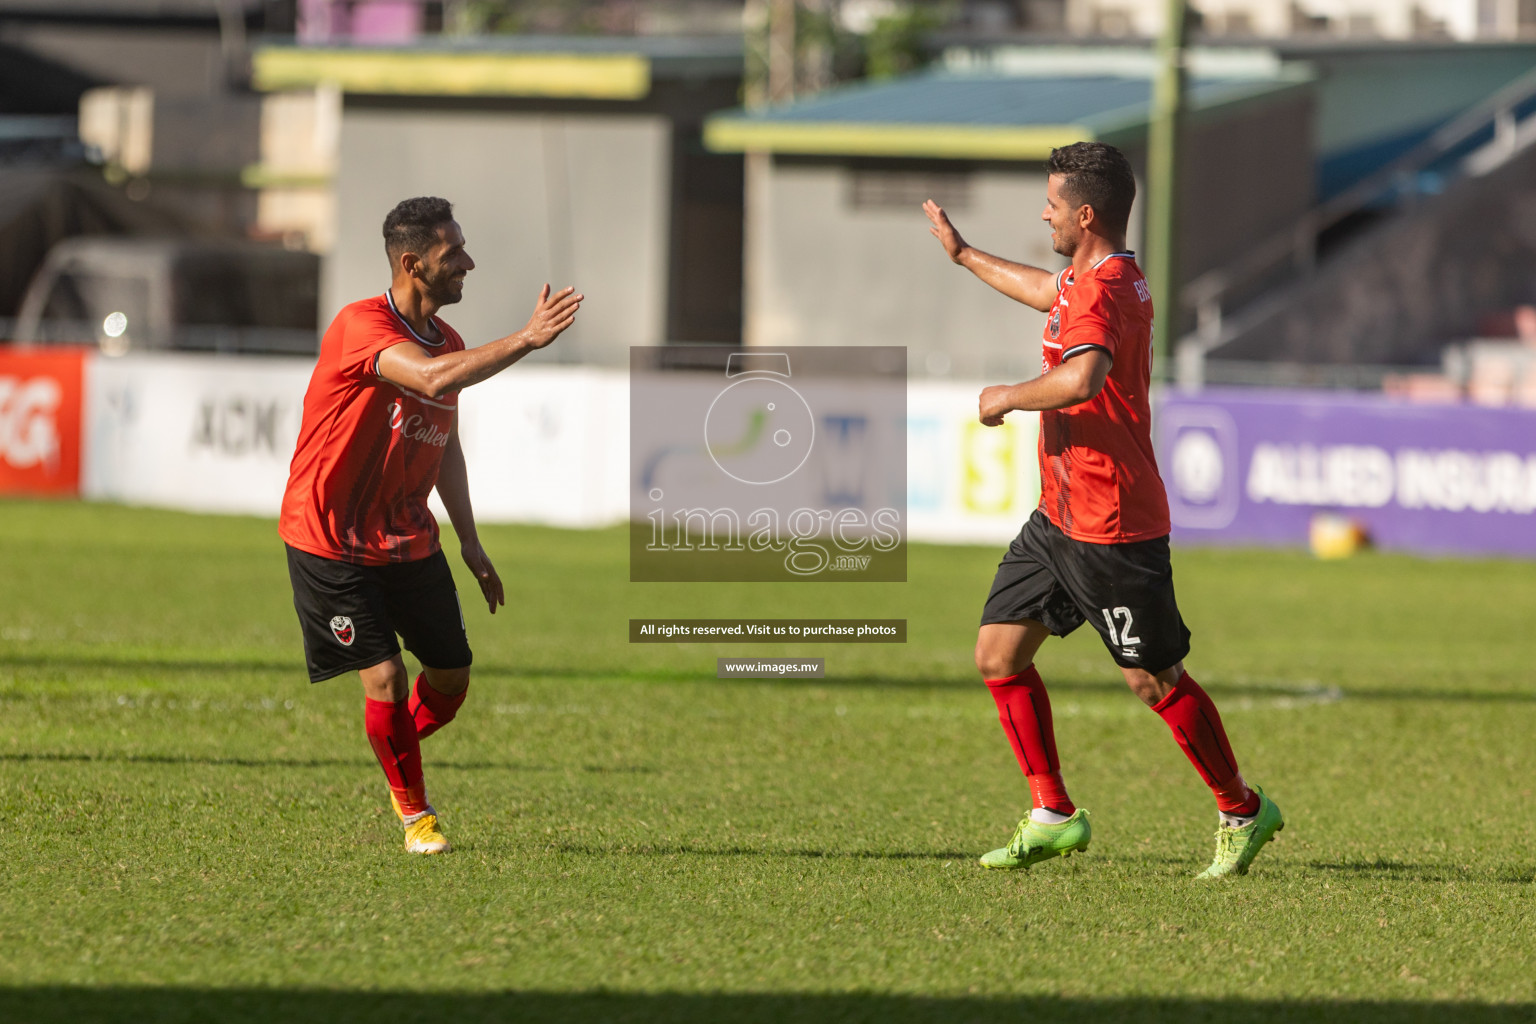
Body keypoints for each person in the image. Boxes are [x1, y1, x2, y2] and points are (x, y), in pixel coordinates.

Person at [922, 142, 1283, 878]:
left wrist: (1006, 397)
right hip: (1058, 516)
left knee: (1155, 680)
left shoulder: (1105, 291)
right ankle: (1053, 811)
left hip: (1113, 526)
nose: (1044, 212)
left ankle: (1241, 808)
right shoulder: (1095, 276)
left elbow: (1083, 376)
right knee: (998, 655)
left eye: (1052, 203)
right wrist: (963, 255)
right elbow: (1040, 289)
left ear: (1085, 214)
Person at [280, 196, 581, 854]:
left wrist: (471, 540)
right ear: (413, 264)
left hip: (408, 537)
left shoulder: (449, 341)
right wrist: (527, 338)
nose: (468, 263)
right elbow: (430, 381)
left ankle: (394, 748)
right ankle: (416, 816)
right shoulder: (361, 327)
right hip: (331, 538)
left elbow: (442, 438)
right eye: (454, 255)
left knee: (450, 680)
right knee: (385, 676)